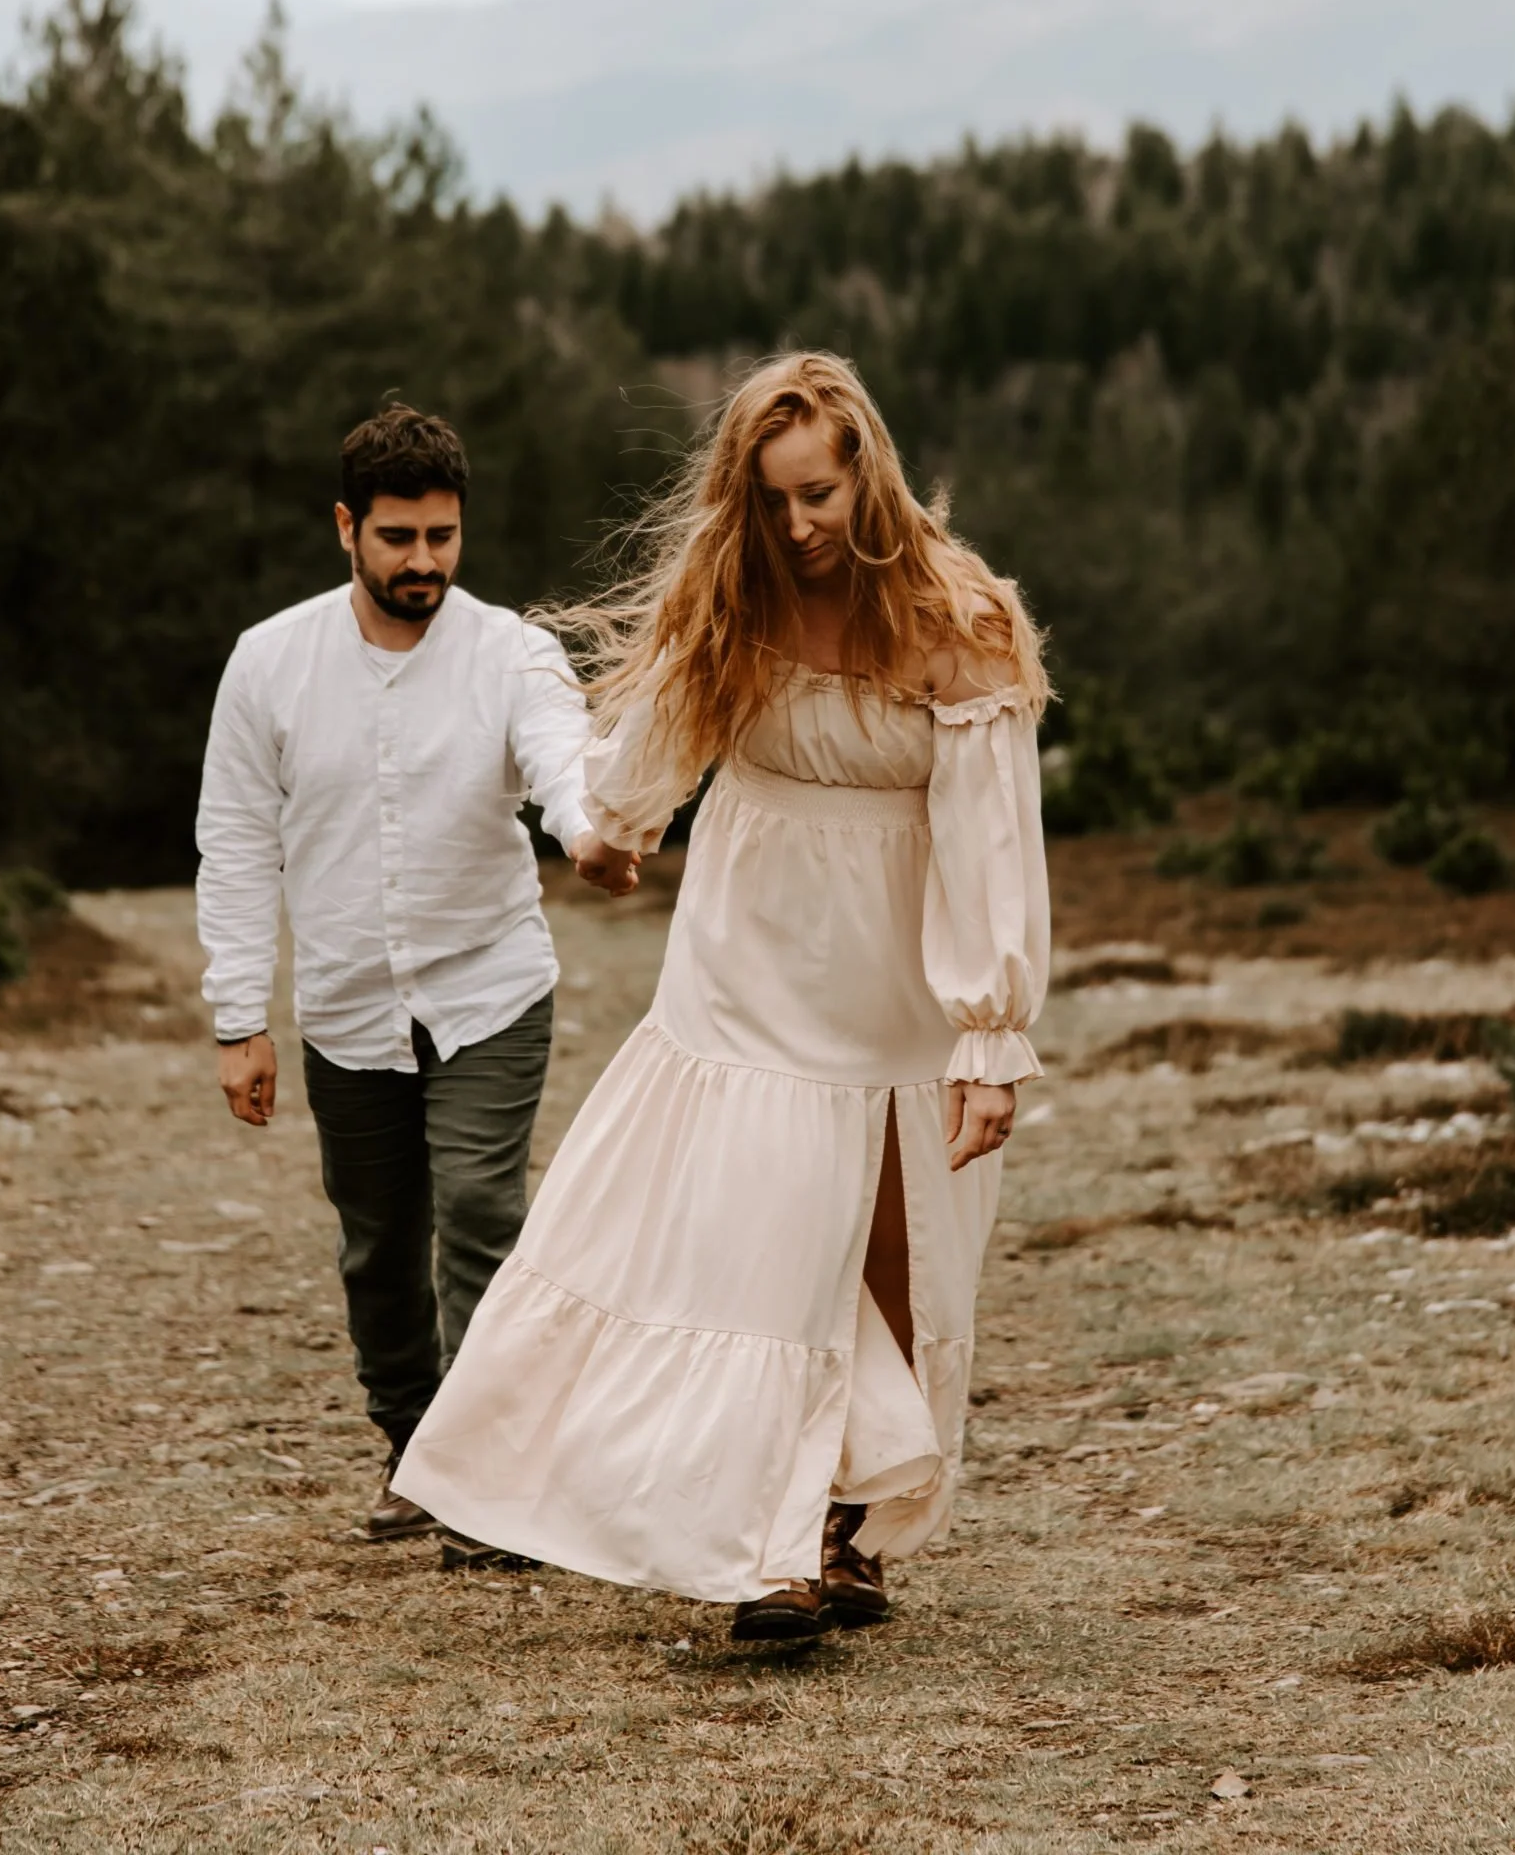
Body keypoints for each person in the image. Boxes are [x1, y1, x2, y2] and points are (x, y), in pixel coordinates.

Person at [396, 352, 1050, 1635]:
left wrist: (990, 1027)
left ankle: (853, 1530)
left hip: (889, 966)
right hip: (746, 954)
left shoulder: (953, 618)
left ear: (866, 466)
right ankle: (775, 1541)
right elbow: (656, 740)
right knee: (764, 1237)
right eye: (772, 501)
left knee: (887, 1247)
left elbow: (989, 839)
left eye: (816, 494)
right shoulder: (733, 597)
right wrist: (609, 824)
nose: (798, 525)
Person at [194, 403, 635, 1561]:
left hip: (488, 986)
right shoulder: (269, 663)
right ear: (346, 528)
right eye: (397, 537)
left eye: (441, 536)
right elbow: (235, 840)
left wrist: (588, 832)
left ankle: (490, 1477)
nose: (423, 562)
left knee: (482, 1213)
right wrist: (239, 1018)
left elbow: (558, 760)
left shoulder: (511, 652)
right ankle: (412, 1448)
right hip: (346, 1007)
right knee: (376, 1239)